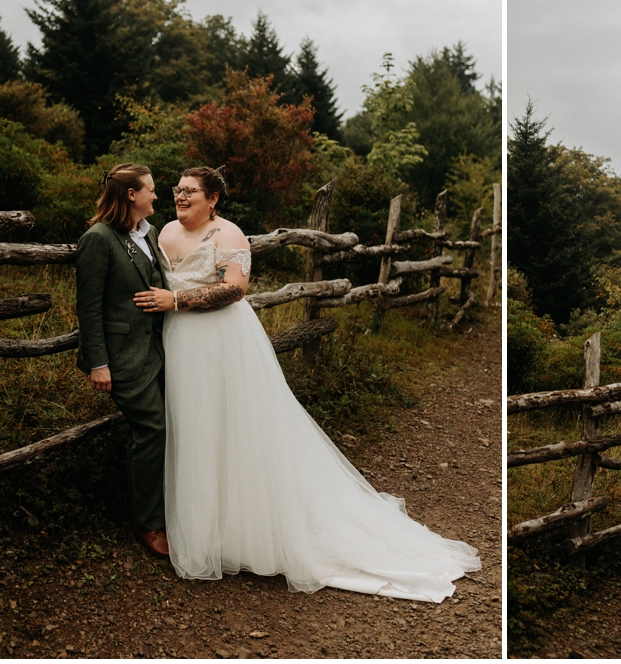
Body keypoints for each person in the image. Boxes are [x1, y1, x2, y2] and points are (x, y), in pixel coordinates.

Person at [132, 166, 480, 601]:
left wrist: (177, 299)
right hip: (181, 343)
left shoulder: (228, 235)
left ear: (213, 198)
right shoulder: (163, 232)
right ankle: (206, 528)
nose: (180, 197)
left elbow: (235, 289)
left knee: (237, 428)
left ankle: (247, 531)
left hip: (223, 342)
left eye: (191, 192)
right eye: (177, 191)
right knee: (196, 428)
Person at [75, 163, 171, 559]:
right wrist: (98, 363)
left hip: (158, 351)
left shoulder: (148, 234)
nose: (156, 196)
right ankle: (147, 522)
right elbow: (89, 307)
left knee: (171, 427)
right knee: (153, 428)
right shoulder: (98, 238)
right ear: (131, 194)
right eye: (150, 189)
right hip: (123, 357)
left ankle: (170, 509)